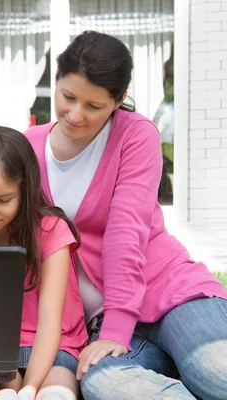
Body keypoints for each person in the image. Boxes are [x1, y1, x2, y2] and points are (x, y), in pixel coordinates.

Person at [24, 30, 227, 400]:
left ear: (118, 101)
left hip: (171, 294)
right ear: (55, 80)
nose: (75, 114)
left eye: (94, 106)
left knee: (214, 371)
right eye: (68, 96)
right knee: (105, 384)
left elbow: (125, 232)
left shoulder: (136, 135)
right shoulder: (29, 146)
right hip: (101, 324)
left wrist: (116, 327)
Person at [0, 125, 88, 400]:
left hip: (57, 345)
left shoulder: (51, 230)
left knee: (55, 395)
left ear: (25, 191)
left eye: (4, 200)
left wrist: (31, 387)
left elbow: (50, 322)